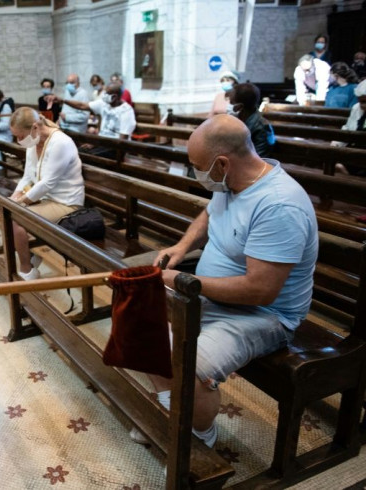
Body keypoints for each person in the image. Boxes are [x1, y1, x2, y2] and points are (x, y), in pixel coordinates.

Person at [131, 114, 318, 450]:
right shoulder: (231, 182)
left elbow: (260, 289)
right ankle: (173, 406)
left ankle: (199, 434)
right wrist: (181, 247)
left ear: (221, 163)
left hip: (262, 315)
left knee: (188, 363)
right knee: (137, 316)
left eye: (197, 166)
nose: (195, 173)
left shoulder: (278, 205)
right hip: (210, 296)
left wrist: (182, 280)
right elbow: (210, 214)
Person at [7, 107, 85, 280]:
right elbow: (27, 176)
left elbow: (47, 183)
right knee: (9, 211)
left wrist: (19, 203)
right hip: (47, 199)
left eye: (20, 136)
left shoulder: (61, 143)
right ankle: (31, 258)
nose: (18, 140)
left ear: (35, 127)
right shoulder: (33, 142)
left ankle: (27, 270)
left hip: (66, 203)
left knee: (15, 218)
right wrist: (13, 198)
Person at [50, 82, 136, 141]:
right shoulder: (104, 103)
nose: (104, 95)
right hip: (102, 142)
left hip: (114, 146)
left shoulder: (126, 111)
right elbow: (82, 105)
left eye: (107, 93)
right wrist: (63, 100)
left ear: (115, 97)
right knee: (80, 152)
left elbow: (123, 138)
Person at [228, 83, 275, 158]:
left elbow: (260, 158)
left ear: (239, 106)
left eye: (231, 102)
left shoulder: (261, 127)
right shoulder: (236, 121)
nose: (229, 105)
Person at [333, 80, 366, 175]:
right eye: (361, 101)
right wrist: (337, 142)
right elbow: (347, 128)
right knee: (333, 161)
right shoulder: (357, 108)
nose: (363, 105)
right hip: (356, 148)